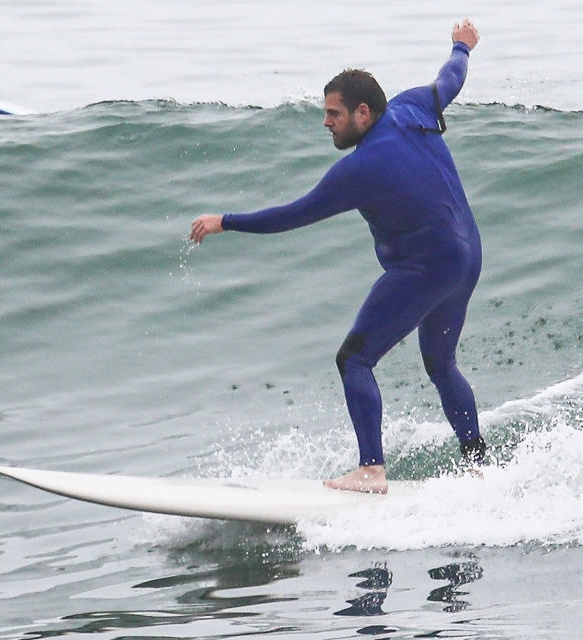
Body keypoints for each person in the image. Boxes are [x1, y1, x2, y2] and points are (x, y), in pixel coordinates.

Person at [190, 19, 486, 493]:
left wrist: (225, 220)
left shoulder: (359, 169)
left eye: (334, 114)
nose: (326, 122)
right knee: (441, 365)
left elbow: (290, 215)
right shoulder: (414, 107)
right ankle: (478, 462)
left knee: (355, 359)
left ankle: (371, 470)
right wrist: (461, 46)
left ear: (362, 113)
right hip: (466, 258)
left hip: (424, 268)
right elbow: (450, 78)